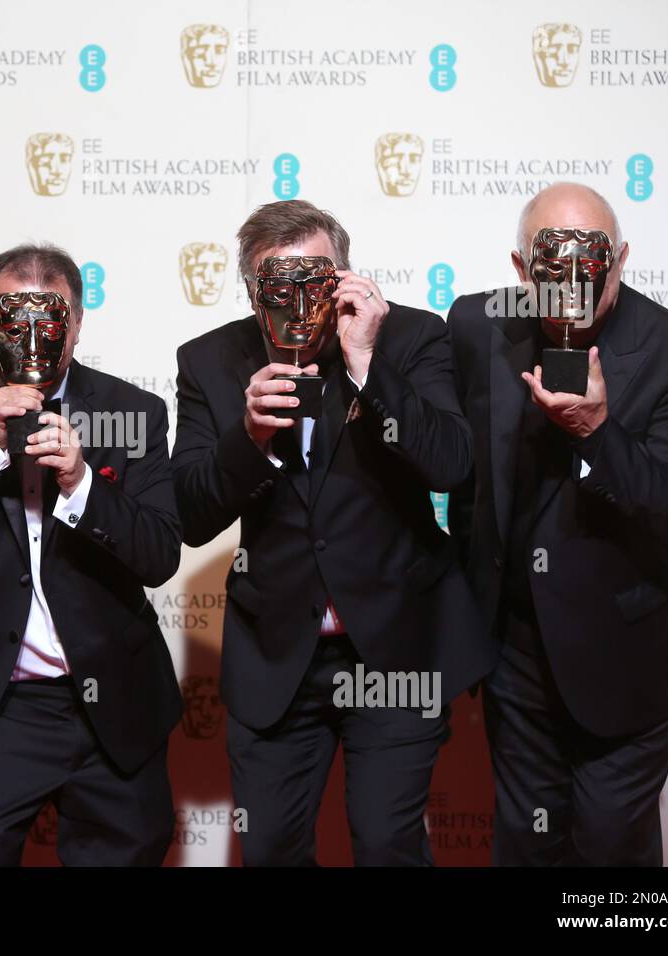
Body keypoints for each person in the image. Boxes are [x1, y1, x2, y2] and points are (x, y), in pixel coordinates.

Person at [172, 199, 496, 866]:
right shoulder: (211, 360)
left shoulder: (411, 336)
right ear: (251, 289)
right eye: (276, 287)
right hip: (278, 655)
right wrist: (249, 437)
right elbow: (192, 515)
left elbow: (452, 464)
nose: (297, 302)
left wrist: (369, 364)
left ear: (346, 279)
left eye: (314, 283)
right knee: (270, 850)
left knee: (386, 843)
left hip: (397, 646)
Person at [0, 243, 182, 865]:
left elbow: (158, 555)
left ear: (74, 325)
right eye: (10, 319)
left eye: (50, 320)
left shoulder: (133, 412)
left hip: (111, 705)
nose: (31, 335)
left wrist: (81, 486)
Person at [448, 182, 668, 865]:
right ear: (520, 271)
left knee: (607, 848)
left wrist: (600, 435)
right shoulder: (477, 327)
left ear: (621, 260)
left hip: (634, 655)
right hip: (517, 656)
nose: (573, 282)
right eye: (550, 266)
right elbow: (454, 465)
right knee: (526, 842)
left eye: (593, 263)